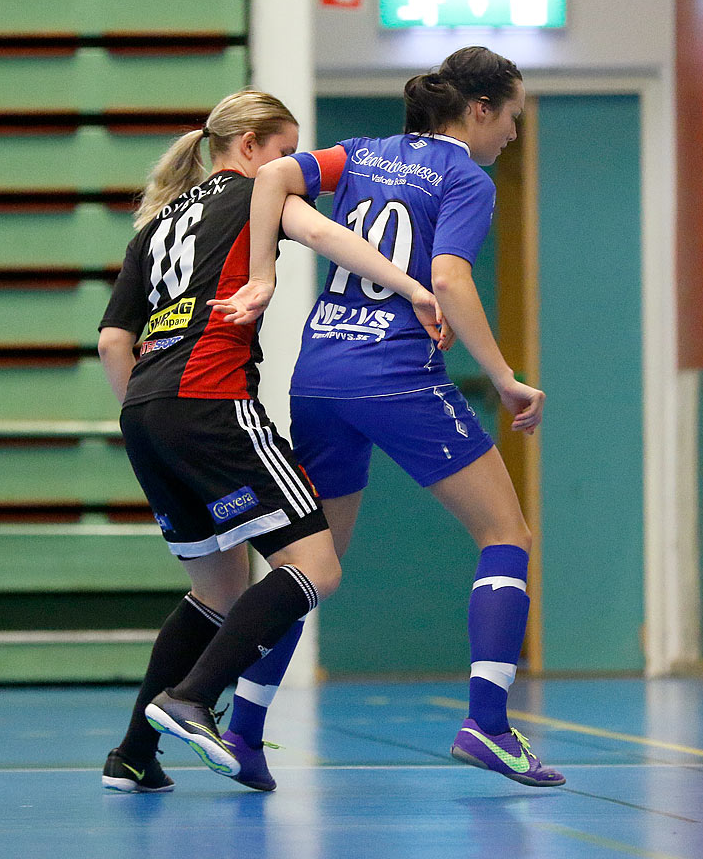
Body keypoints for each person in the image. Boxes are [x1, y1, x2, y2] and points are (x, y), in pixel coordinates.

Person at [217, 46, 563, 787]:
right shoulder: (465, 175)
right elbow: (447, 275)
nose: (513, 134)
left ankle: (242, 733)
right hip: (396, 378)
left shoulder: (366, 153)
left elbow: (273, 175)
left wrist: (264, 272)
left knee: (311, 567)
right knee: (507, 535)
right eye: (511, 118)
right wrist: (503, 378)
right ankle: (489, 724)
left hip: (318, 375)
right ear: (479, 111)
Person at [97, 90, 443, 793]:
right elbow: (323, 236)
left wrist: (152, 417)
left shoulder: (154, 227)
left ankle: (134, 754)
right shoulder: (255, 195)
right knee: (316, 565)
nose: (291, 167)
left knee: (217, 591)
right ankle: (191, 699)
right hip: (209, 398)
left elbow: (112, 342)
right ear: (250, 146)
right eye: (285, 152)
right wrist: (411, 286)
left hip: (144, 411)